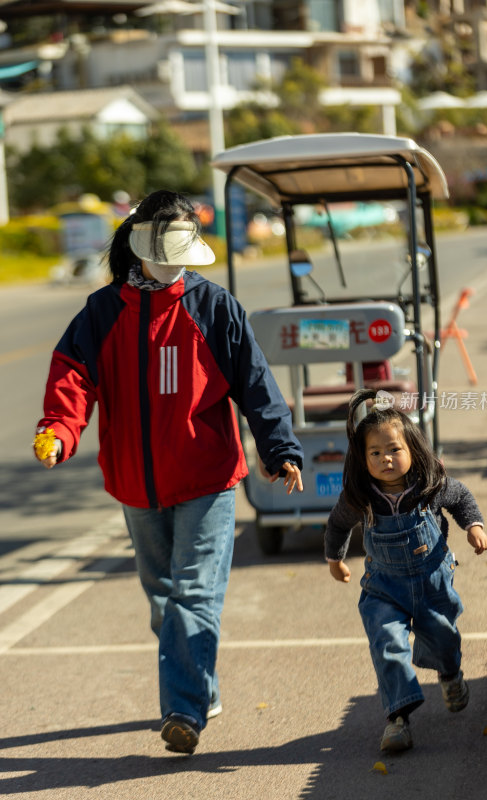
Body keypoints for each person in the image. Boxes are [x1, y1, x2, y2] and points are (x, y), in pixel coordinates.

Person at [33, 189, 304, 755]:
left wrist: (280, 450)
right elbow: (73, 378)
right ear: (141, 245)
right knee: (162, 596)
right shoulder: (103, 311)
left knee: (194, 594)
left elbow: (255, 381)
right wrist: (59, 430)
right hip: (136, 482)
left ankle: (183, 710)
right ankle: (200, 686)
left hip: (207, 479)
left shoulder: (213, 306)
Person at [325, 388, 487, 754]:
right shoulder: (361, 496)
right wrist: (335, 559)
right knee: (387, 645)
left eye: (394, 450)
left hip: (432, 583)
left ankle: (450, 674)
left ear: (412, 449)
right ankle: (397, 720)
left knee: (445, 639)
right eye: (375, 453)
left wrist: (473, 526)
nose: (386, 459)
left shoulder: (429, 487)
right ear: (362, 458)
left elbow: (461, 498)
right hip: (384, 587)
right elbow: (337, 525)